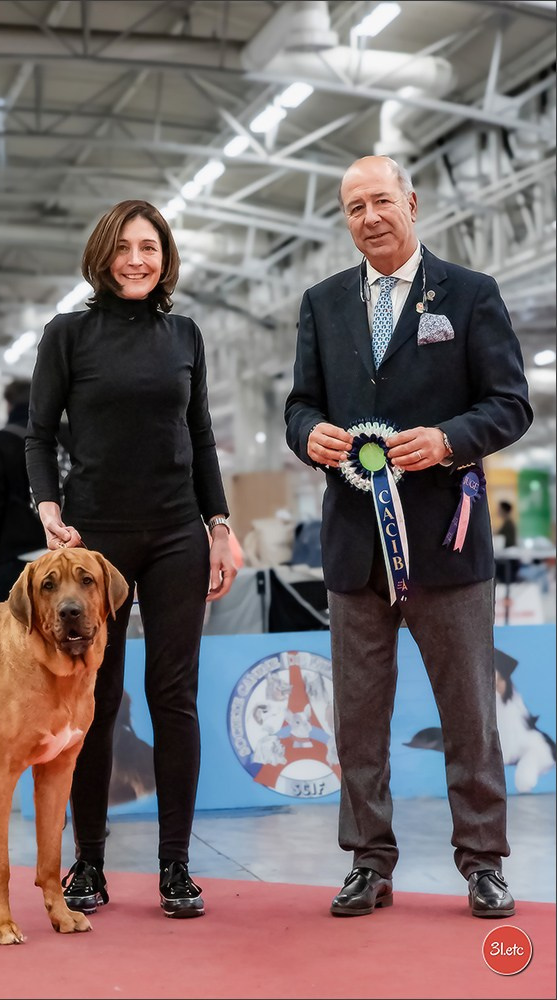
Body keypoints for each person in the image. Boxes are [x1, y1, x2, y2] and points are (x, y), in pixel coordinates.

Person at [284, 155, 532, 920]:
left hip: (446, 548)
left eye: (380, 201)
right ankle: (368, 860)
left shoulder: (468, 294)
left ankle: (482, 861)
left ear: (411, 203)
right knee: (358, 717)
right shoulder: (321, 304)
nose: (369, 217)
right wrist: (310, 437)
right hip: (354, 553)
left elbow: (510, 404)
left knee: (469, 715)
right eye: (354, 206)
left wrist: (449, 440)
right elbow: (297, 407)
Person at [26, 198, 237, 919]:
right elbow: (37, 434)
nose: (138, 259)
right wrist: (49, 510)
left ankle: (175, 866)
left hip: (177, 532)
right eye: (124, 247)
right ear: (103, 256)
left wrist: (220, 524)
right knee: (97, 701)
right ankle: (88, 862)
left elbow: (200, 435)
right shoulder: (67, 335)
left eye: (149, 247)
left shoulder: (184, 334)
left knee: (173, 696)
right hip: (95, 541)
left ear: (165, 256)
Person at [0, 380, 47, 602]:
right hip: (64, 550)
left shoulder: (3, 441)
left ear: (9, 404)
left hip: (17, 552)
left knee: (10, 630)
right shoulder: (65, 434)